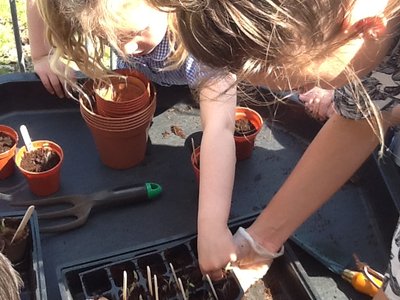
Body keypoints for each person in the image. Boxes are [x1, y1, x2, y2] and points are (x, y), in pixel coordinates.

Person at [143, 0, 400, 297]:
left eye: (306, 81)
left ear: (366, 25)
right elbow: (362, 117)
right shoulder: (365, 42)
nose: (303, 92)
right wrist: (262, 242)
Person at [28, 0, 238, 279]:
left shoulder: (202, 35)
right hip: (147, 88)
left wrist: (213, 226)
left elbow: (220, 127)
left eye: (134, 33)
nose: (125, 49)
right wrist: (41, 55)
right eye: (110, 37)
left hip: (196, 90)